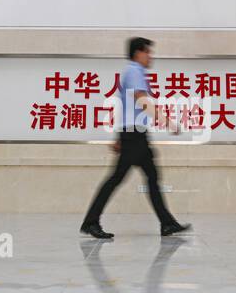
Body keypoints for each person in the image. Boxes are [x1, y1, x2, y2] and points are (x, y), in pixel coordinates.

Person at [80, 37, 191, 240]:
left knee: (151, 177)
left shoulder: (134, 72)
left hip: (134, 134)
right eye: (148, 52)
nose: (151, 56)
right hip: (134, 136)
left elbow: (128, 107)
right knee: (118, 178)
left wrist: (119, 137)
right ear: (138, 53)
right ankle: (90, 222)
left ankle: (167, 223)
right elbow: (141, 100)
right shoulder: (133, 71)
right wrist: (168, 121)